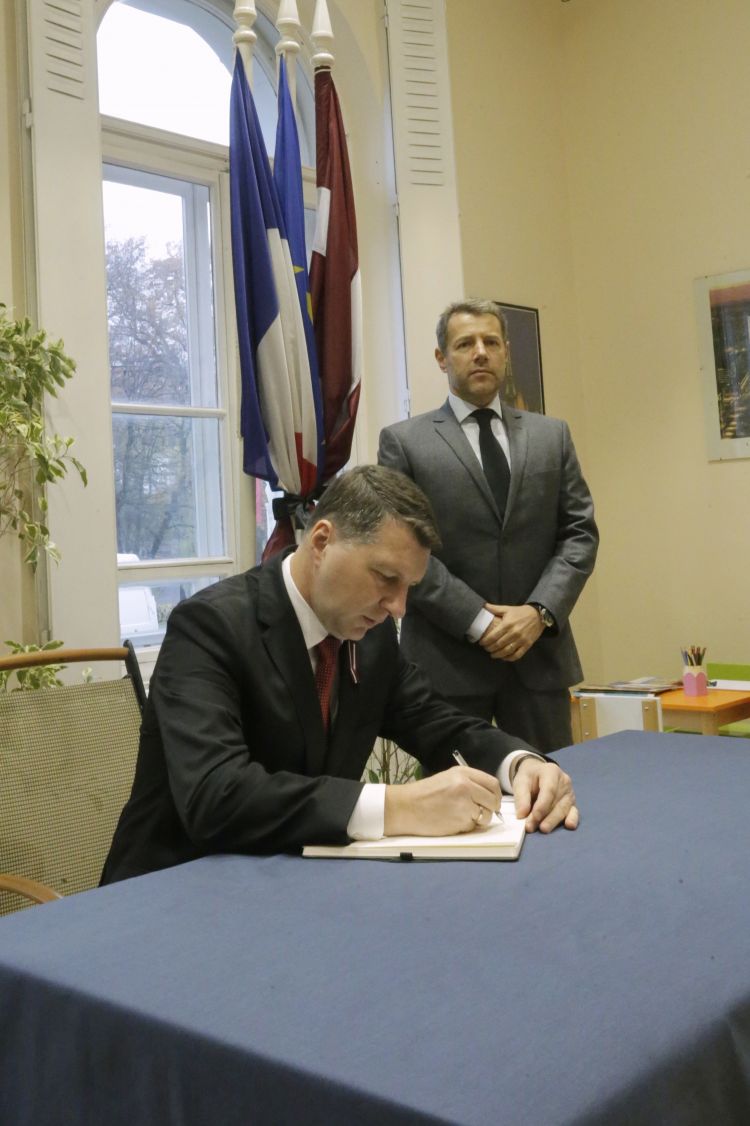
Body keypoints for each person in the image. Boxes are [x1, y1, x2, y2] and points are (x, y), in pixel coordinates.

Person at [101, 466, 577, 884]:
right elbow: (215, 795)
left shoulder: (370, 637)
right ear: (322, 542)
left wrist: (520, 764)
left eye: (409, 587)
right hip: (172, 891)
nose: (398, 607)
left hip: (298, 884)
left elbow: (437, 723)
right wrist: (400, 806)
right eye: (386, 578)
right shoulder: (208, 627)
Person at [378, 299, 598, 752]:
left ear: (505, 353)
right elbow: (404, 549)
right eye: (465, 344)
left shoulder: (551, 435)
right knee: (455, 793)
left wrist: (538, 613)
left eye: (491, 342)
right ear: (442, 358)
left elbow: (579, 534)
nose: (480, 353)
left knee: (549, 786)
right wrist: (480, 621)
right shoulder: (404, 442)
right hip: (447, 665)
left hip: (538, 660)